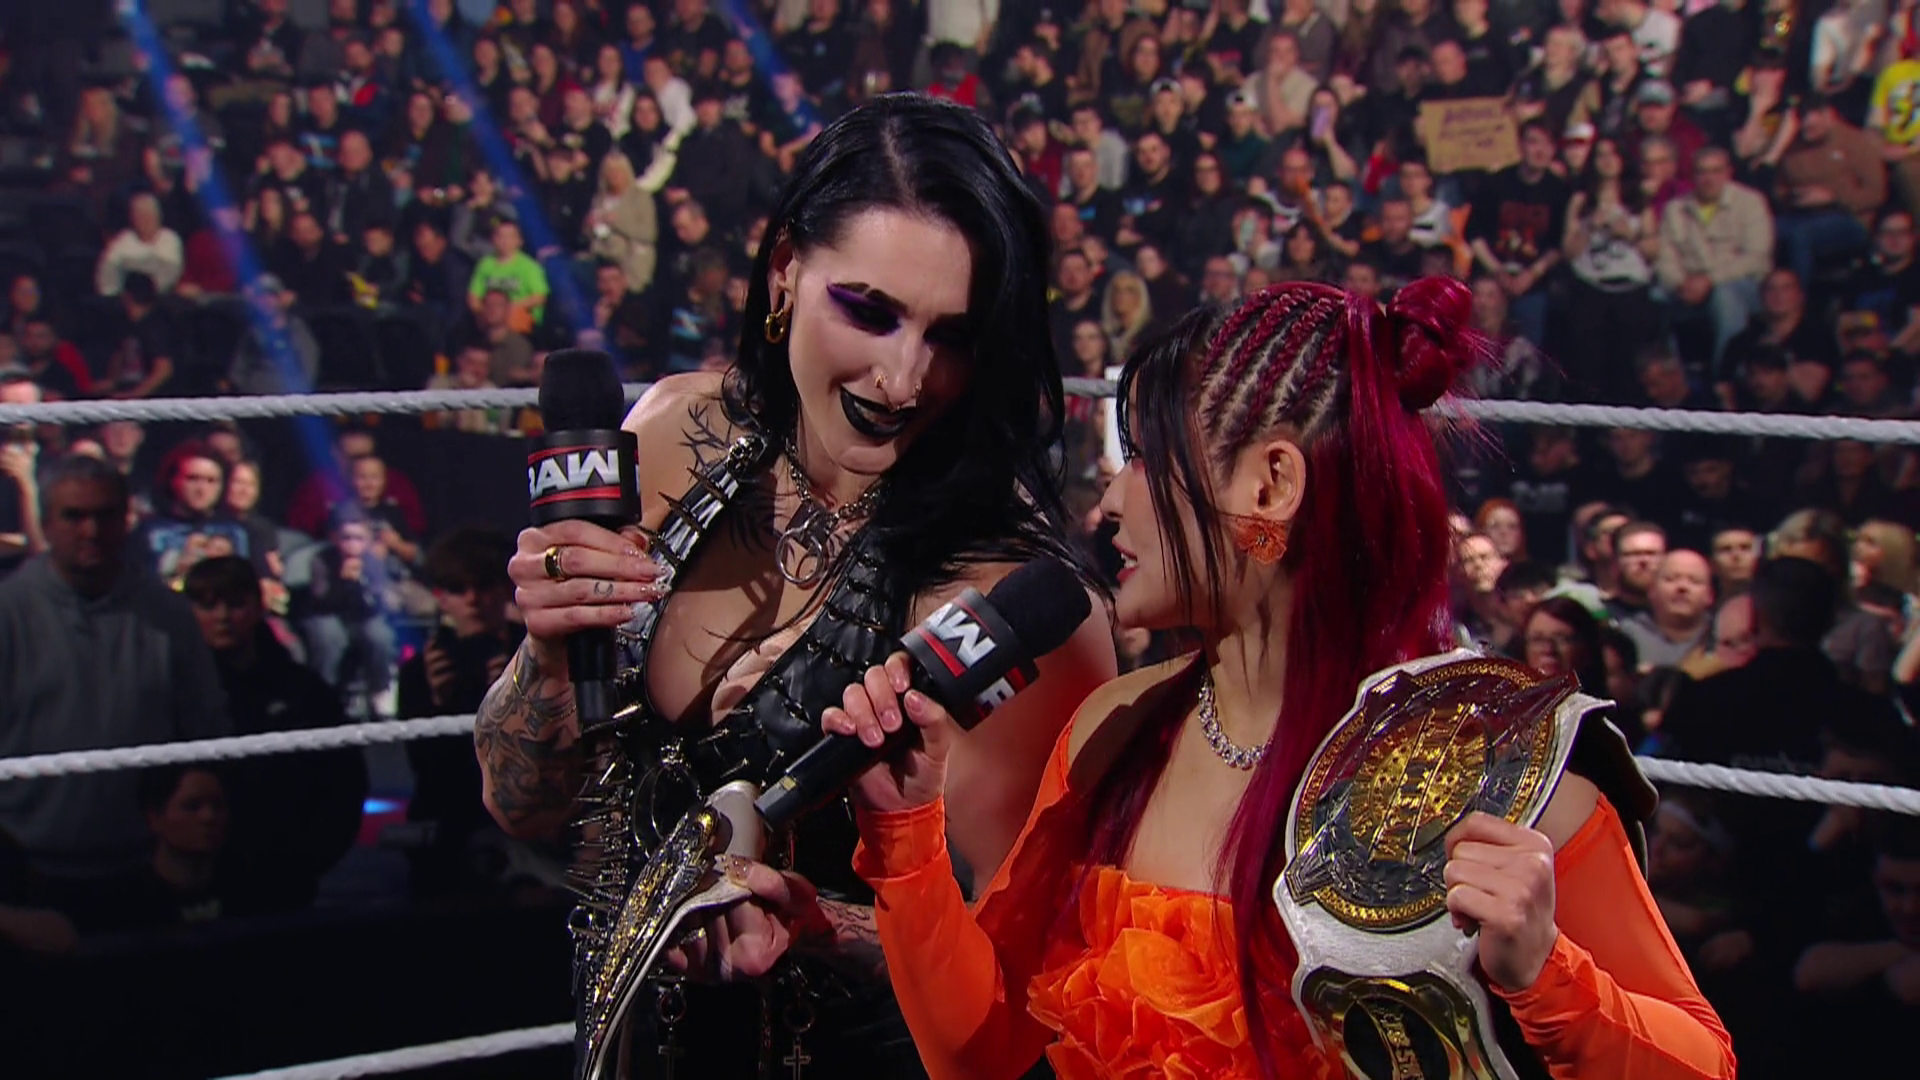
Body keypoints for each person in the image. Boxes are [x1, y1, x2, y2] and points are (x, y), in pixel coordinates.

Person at [810, 278, 1735, 1077]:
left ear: (1269, 486)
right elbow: (979, 1053)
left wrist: (1546, 976)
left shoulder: (1488, 765)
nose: (1109, 501)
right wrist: (906, 834)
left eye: (1144, 457)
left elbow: (1703, 1062)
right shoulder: (1111, 730)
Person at [476, 95, 1117, 1076]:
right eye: (871, 312)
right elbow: (522, 803)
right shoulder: (673, 434)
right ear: (785, 271)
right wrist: (552, 653)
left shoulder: (1009, 599)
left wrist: (824, 927)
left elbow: (1030, 982)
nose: (903, 379)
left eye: (950, 336)